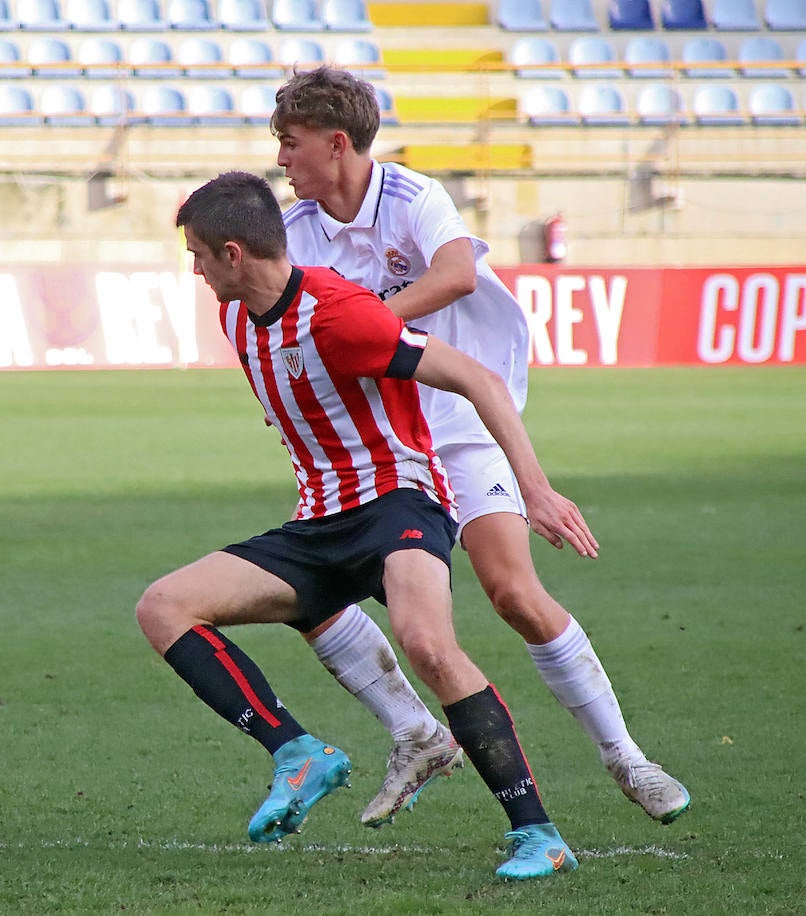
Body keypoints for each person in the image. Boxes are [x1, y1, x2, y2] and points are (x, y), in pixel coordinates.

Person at [139, 170, 594, 879]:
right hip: (320, 521)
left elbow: (480, 379)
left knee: (428, 646)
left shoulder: (341, 313)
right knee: (164, 606)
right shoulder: (237, 318)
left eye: (198, 253)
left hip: (399, 504)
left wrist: (533, 489)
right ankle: (298, 753)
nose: (192, 268)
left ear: (233, 253)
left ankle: (539, 834)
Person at [270, 66, 690, 826]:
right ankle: (414, 733)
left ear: (337, 144)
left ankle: (626, 755)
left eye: (289, 142)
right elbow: (287, 329)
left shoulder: (412, 197)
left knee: (513, 592)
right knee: (312, 591)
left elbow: (457, 274)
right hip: (373, 447)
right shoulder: (293, 230)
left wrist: (367, 324)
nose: (280, 158)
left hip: (459, 427)